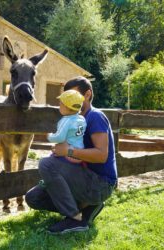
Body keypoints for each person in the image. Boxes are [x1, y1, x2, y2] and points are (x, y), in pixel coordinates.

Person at [25, 76, 117, 234]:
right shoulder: (74, 119)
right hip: (82, 178)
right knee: (33, 197)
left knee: (46, 164)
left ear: (87, 95)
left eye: (73, 95)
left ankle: (75, 218)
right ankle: (87, 206)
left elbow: (102, 155)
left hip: (101, 184)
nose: (68, 100)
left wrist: (67, 151)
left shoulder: (95, 116)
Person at [47, 89, 86, 164]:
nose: (59, 106)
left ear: (66, 106)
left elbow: (59, 137)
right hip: (79, 152)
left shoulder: (66, 120)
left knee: (47, 162)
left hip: (67, 154)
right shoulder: (82, 119)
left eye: (60, 104)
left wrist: (50, 136)